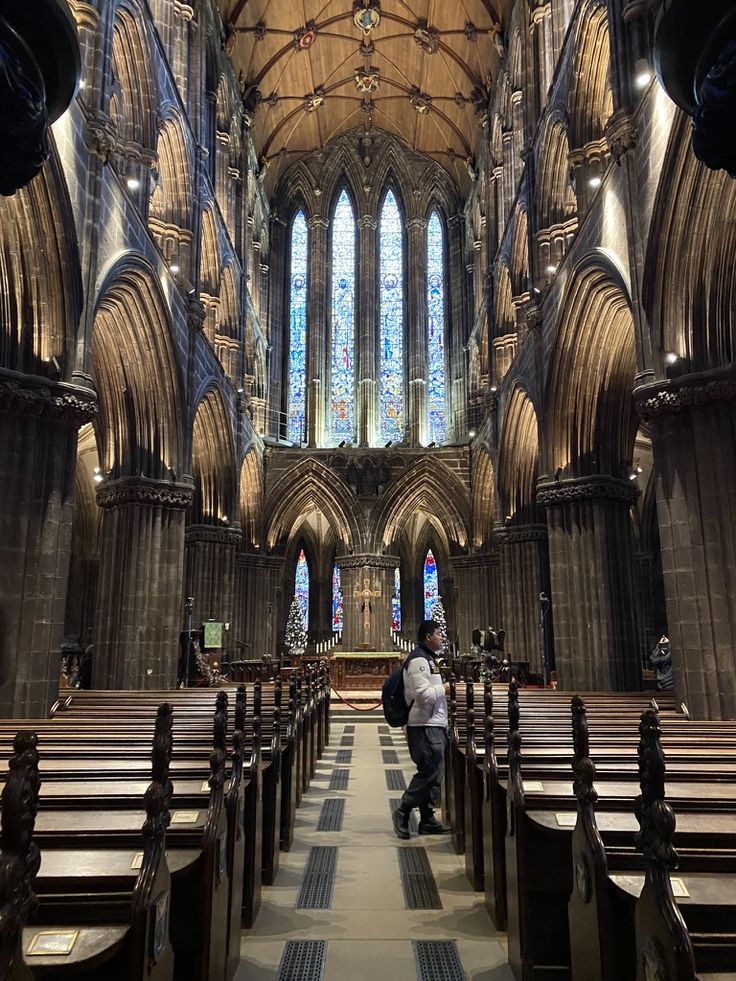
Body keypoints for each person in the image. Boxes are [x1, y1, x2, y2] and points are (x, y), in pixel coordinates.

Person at [392, 619, 450, 839]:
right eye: (438, 633)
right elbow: (423, 696)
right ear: (428, 637)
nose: (441, 636)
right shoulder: (419, 661)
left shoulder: (429, 659)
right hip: (423, 724)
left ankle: (427, 818)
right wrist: (444, 688)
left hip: (433, 722)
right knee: (430, 771)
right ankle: (403, 810)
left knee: (436, 772)